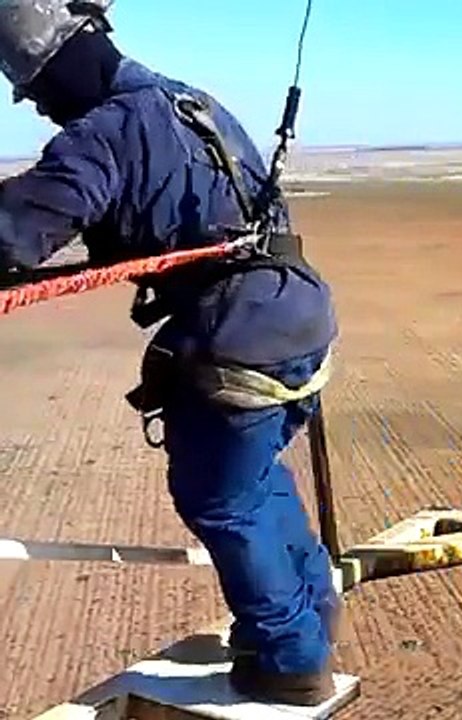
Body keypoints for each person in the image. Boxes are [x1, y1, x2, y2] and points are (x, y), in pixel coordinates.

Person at [0, 1, 341, 706]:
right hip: (299, 315)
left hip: (239, 333)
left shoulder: (107, 132)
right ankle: (309, 609)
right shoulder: (189, 100)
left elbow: (15, 234)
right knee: (250, 479)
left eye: (33, 90)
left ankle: (289, 657)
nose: (38, 110)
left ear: (59, 64)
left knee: (217, 497)